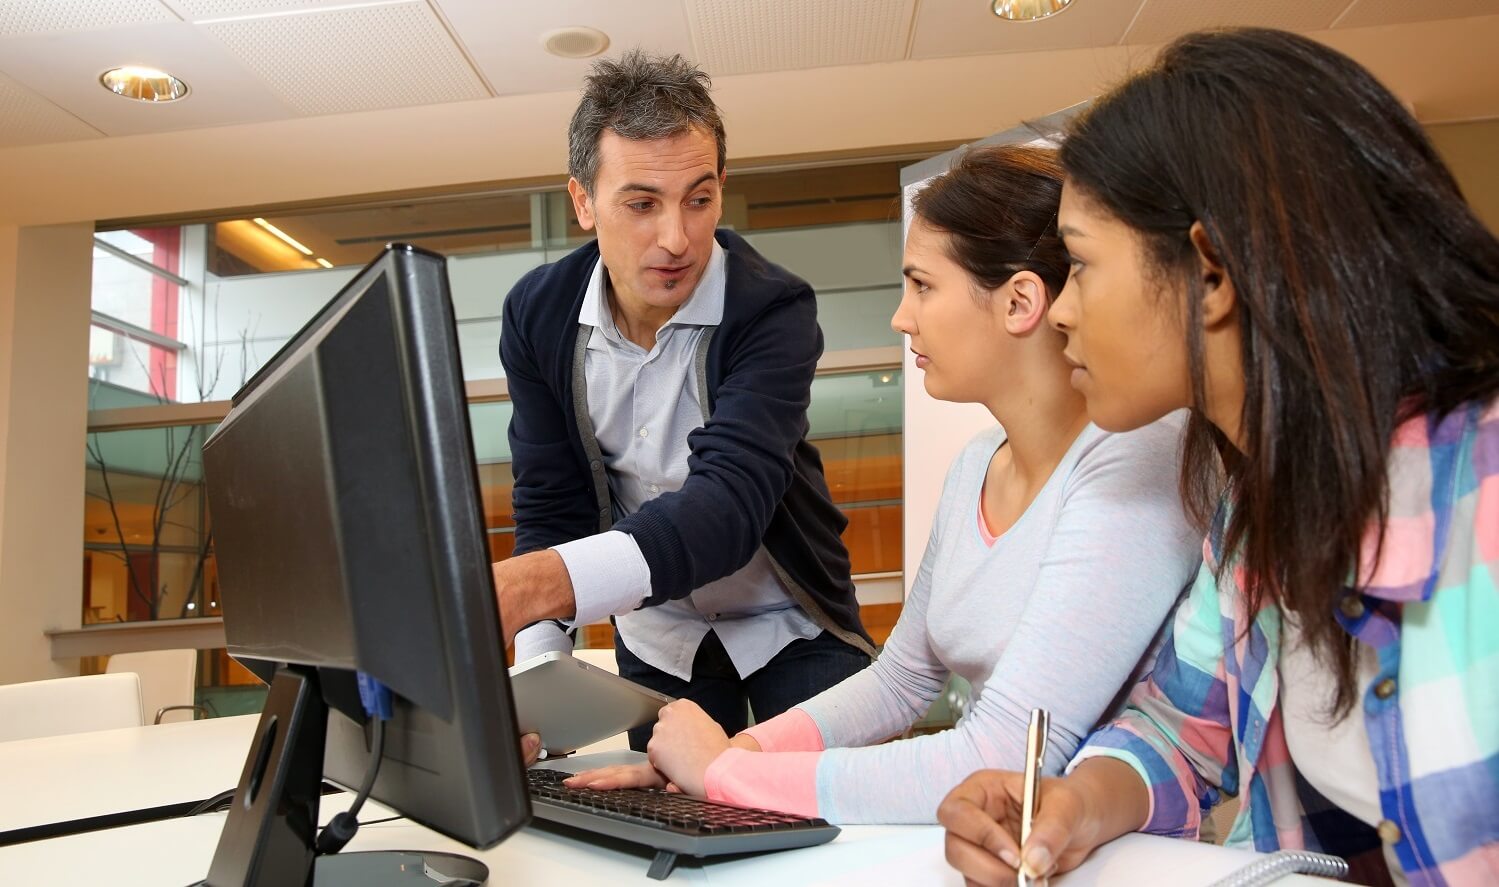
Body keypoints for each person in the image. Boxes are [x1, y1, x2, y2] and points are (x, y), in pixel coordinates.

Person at [938, 28, 1499, 887]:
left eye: (1080, 266)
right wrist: (1075, 801)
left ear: (1209, 272)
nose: (1060, 311)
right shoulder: (1248, 513)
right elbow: (1177, 727)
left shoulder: (1481, 489)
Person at [565, 144, 1203, 824]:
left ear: (1019, 301)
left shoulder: (1135, 456)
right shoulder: (977, 463)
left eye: (923, 286)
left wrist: (726, 772)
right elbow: (899, 680)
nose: (901, 317)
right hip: (991, 839)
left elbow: (1001, 755)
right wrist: (731, 753)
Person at [494, 49, 874, 762]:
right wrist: (536, 676)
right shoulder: (537, 315)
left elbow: (727, 509)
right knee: (677, 833)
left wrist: (533, 584)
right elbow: (551, 506)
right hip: (660, 637)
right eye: (641, 204)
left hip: (789, 619)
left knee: (832, 825)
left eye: (698, 199)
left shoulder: (772, 307)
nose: (676, 238)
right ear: (582, 202)